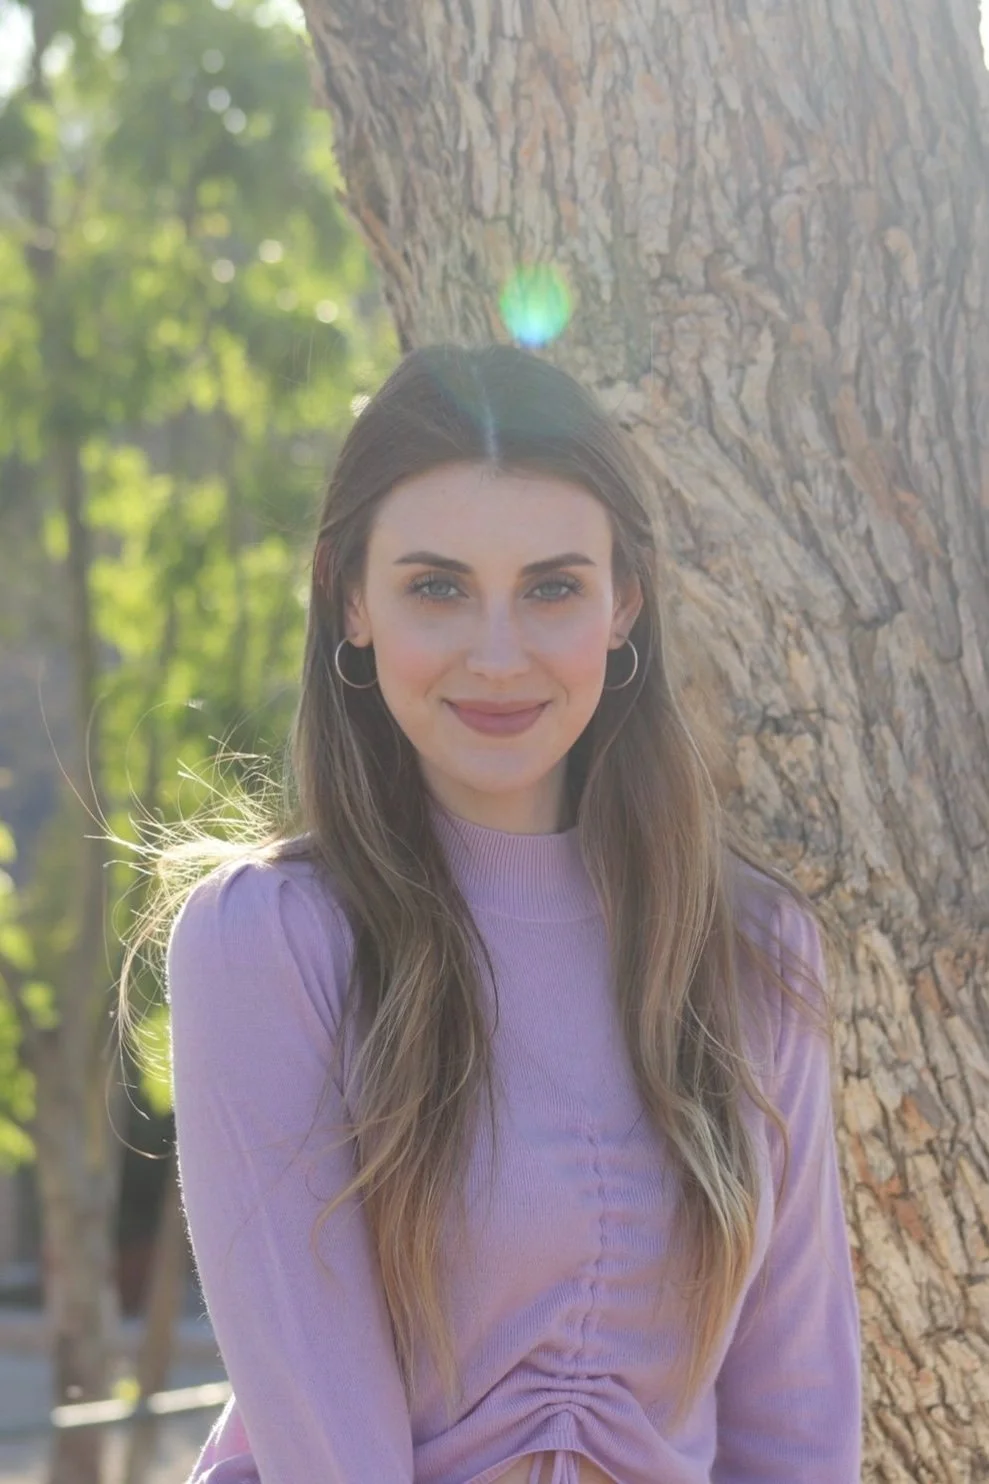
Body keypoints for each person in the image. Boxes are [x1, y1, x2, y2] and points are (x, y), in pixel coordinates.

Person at [151, 343, 862, 1484]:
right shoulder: (268, 942)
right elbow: (329, 1450)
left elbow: (797, 1424)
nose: (496, 655)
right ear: (349, 597)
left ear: (624, 602)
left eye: (551, 587)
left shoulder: (746, 952)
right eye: (437, 587)